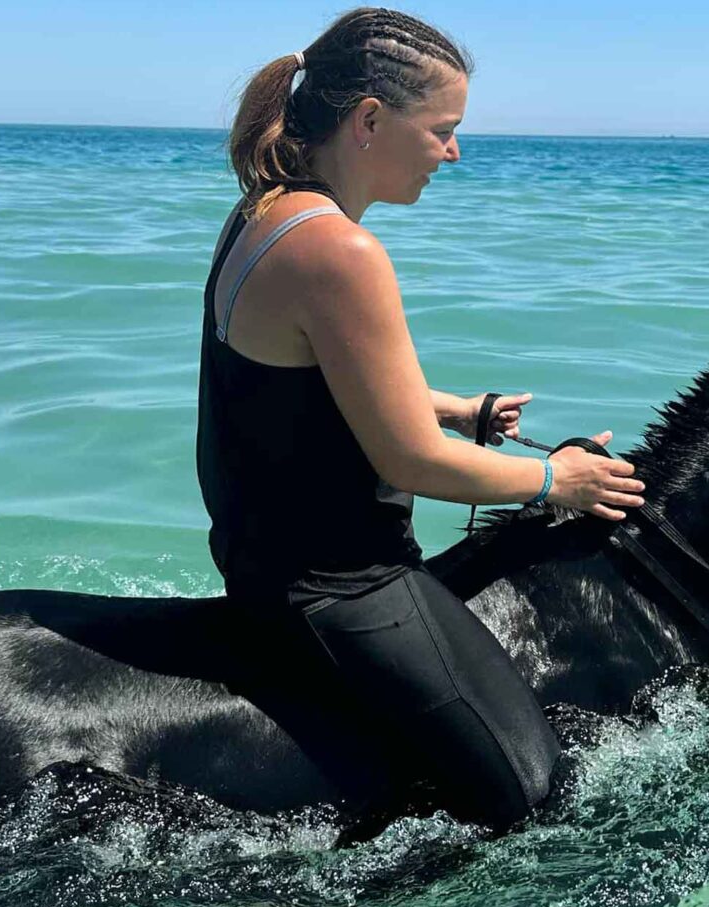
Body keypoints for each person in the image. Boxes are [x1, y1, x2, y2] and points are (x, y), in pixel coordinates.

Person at [196, 7, 646, 832]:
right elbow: (413, 464)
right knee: (534, 792)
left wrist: (460, 410)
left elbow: (293, 379)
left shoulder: (266, 213)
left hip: (259, 562)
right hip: (340, 588)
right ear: (370, 121)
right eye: (443, 129)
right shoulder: (341, 251)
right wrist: (561, 481)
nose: (454, 152)